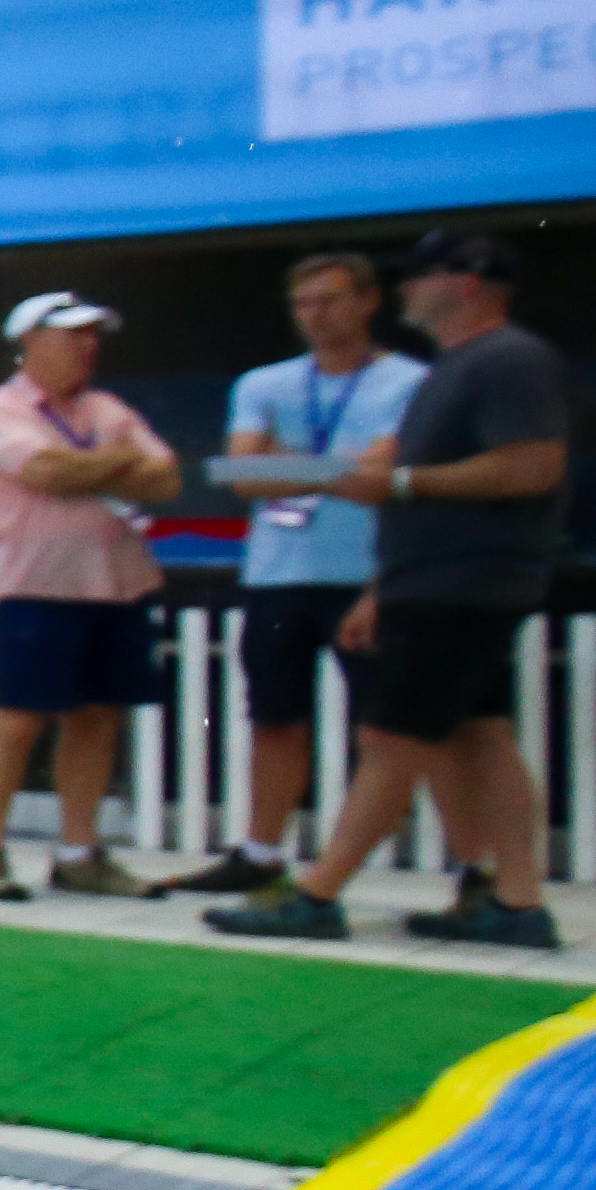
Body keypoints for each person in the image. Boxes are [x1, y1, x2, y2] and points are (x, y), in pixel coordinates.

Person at [208, 230, 574, 947]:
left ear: (466, 282)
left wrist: (404, 481)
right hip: (440, 579)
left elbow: (533, 466)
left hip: (460, 582)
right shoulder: (459, 366)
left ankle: (317, 894)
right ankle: (519, 901)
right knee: (482, 734)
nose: (405, 289)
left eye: (418, 277)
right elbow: (256, 473)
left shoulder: (507, 360)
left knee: (391, 735)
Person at [175, 249, 409, 896]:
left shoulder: (409, 383)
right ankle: (260, 851)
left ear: (367, 302)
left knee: (384, 728)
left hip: (368, 576)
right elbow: (238, 476)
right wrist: (340, 468)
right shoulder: (264, 384)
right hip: (278, 575)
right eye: (303, 303)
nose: (315, 315)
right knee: (273, 716)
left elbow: (382, 481)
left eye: (329, 300)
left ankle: (349, 866)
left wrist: (290, 461)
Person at [0, 290, 179, 900]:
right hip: (35, 588)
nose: (88, 347)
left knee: (98, 716)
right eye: (71, 335)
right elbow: (46, 473)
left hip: (118, 586)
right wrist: (119, 461)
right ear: (29, 342)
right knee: (19, 716)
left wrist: (89, 465)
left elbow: (167, 478)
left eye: (92, 335)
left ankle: (79, 854)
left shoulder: (108, 407)